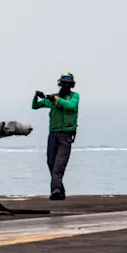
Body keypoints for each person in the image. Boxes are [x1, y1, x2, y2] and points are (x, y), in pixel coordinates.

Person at [32, 72, 80, 200]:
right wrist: (36, 96)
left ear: (71, 85)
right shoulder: (53, 98)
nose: (65, 86)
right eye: (63, 83)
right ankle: (60, 191)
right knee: (51, 162)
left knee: (59, 165)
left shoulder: (74, 96)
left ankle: (56, 190)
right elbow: (35, 106)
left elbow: (71, 105)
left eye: (67, 84)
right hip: (53, 134)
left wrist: (56, 99)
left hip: (66, 135)